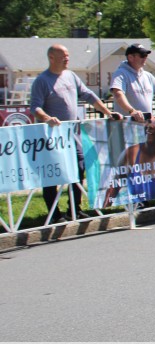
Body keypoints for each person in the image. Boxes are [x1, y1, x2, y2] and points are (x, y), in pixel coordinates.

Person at [30, 44, 121, 220]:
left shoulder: (71, 76)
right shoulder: (42, 81)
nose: (67, 59)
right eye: (63, 56)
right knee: (53, 174)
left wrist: (107, 112)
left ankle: (74, 209)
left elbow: (88, 95)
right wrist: (47, 118)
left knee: (79, 168)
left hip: (73, 134)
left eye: (68, 55)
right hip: (53, 137)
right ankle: (54, 214)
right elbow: (35, 107)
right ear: (51, 58)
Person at [103, 116, 155, 207]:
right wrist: (104, 210)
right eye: (148, 125)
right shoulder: (130, 153)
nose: (150, 127)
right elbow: (114, 187)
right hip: (136, 206)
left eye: (153, 125)